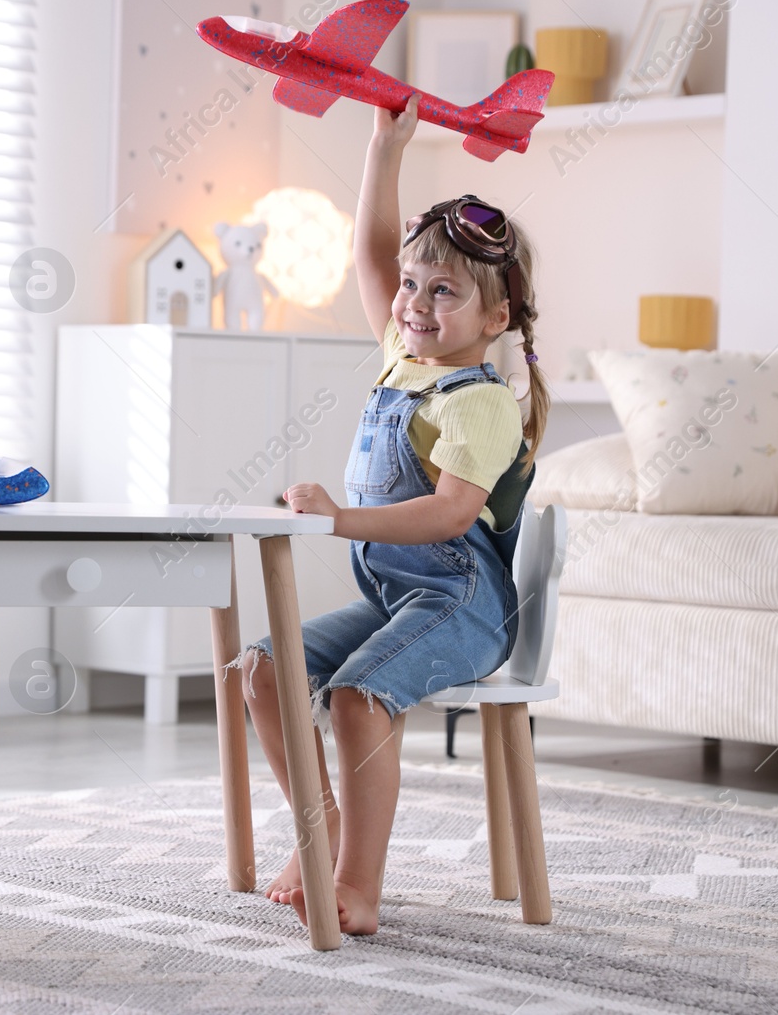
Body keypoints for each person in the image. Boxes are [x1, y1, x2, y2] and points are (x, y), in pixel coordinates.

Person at [230, 93, 549, 935]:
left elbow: (449, 515)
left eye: (442, 291)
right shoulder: (406, 360)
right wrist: (384, 145)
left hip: (463, 606)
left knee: (358, 698)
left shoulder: (480, 402)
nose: (412, 303)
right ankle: (318, 820)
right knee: (259, 669)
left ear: (494, 317)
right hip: (399, 601)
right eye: (413, 285)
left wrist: (337, 520)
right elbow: (373, 255)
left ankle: (360, 882)